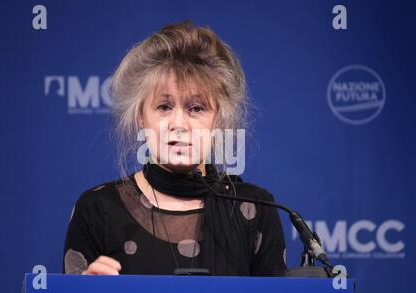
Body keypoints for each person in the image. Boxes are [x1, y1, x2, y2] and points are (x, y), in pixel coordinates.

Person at [63, 20, 287, 277]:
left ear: (219, 121)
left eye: (197, 108)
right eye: (164, 107)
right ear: (141, 117)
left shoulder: (256, 209)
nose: (179, 125)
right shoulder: (97, 209)